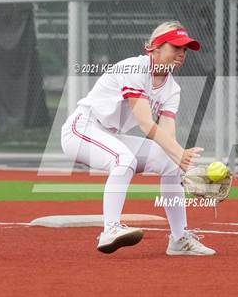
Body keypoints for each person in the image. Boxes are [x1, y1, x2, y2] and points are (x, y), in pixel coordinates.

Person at [61, 21, 215, 256]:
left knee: (170, 163)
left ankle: (179, 238)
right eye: (176, 47)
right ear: (155, 48)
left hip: (108, 134)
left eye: (185, 49)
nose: (182, 54)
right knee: (124, 158)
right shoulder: (134, 69)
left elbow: (167, 135)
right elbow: (145, 122)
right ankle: (110, 229)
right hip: (81, 129)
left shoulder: (172, 89)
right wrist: (180, 153)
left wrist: (183, 163)